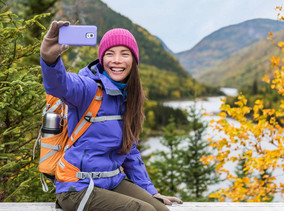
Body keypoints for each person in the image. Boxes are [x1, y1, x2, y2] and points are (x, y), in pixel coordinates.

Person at [40, 21, 183, 211]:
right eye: (110, 53)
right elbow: (59, 85)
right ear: (101, 59)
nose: (117, 60)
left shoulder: (128, 98)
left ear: (134, 60)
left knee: (160, 209)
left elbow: (129, 151)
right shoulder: (87, 88)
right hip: (76, 187)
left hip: (111, 181)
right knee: (145, 210)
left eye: (125, 54)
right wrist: (49, 59)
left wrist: (150, 191)